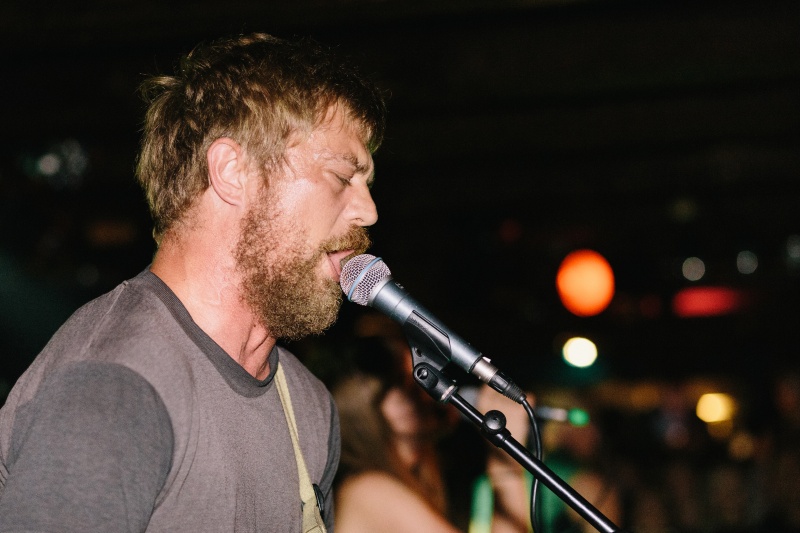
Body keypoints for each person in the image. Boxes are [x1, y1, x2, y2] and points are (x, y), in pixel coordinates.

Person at [0, 32, 386, 532]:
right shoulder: (116, 384)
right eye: (342, 176)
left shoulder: (309, 407)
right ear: (232, 171)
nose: (368, 211)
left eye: (367, 185)